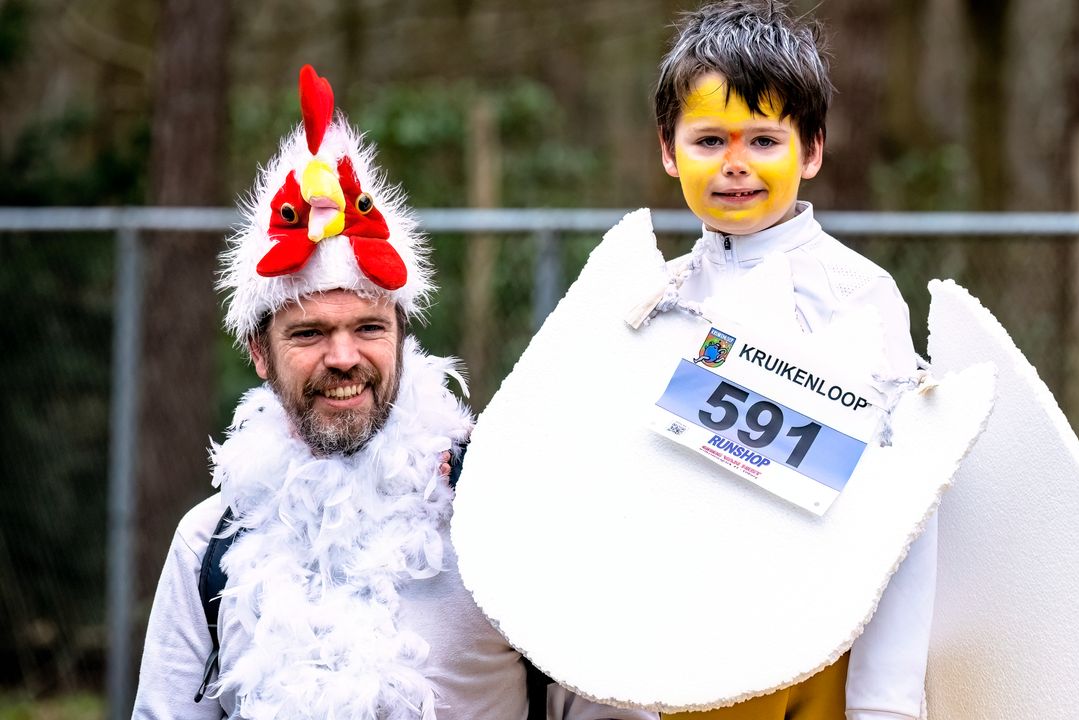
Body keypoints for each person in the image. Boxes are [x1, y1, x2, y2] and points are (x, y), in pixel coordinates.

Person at [132, 65, 655, 720]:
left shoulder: (504, 521)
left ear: (403, 337)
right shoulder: (209, 545)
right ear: (259, 353)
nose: (344, 357)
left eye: (369, 327)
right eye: (310, 334)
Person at [652, 3, 937, 718]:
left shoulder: (859, 298)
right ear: (668, 150)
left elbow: (904, 512)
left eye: (764, 140)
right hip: (679, 655)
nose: (736, 164)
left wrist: (885, 704)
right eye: (710, 139)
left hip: (817, 661)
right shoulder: (655, 298)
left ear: (811, 150)